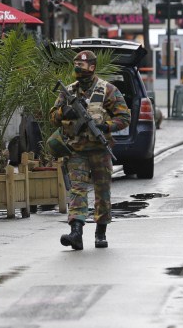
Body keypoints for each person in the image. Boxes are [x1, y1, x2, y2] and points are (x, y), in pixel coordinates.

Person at [49, 50, 131, 250]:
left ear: (92, 67)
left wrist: (106, 126)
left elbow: (124, 117)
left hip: (100, 151)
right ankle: (76, 232)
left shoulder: (107, 90)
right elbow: (52, 117)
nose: (78, 68)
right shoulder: (68, 91)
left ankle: (100, 231)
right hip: (76, 149)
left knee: (102, 192)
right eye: (76, 64)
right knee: (77, 190)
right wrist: (64, 111)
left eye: (82, 65)